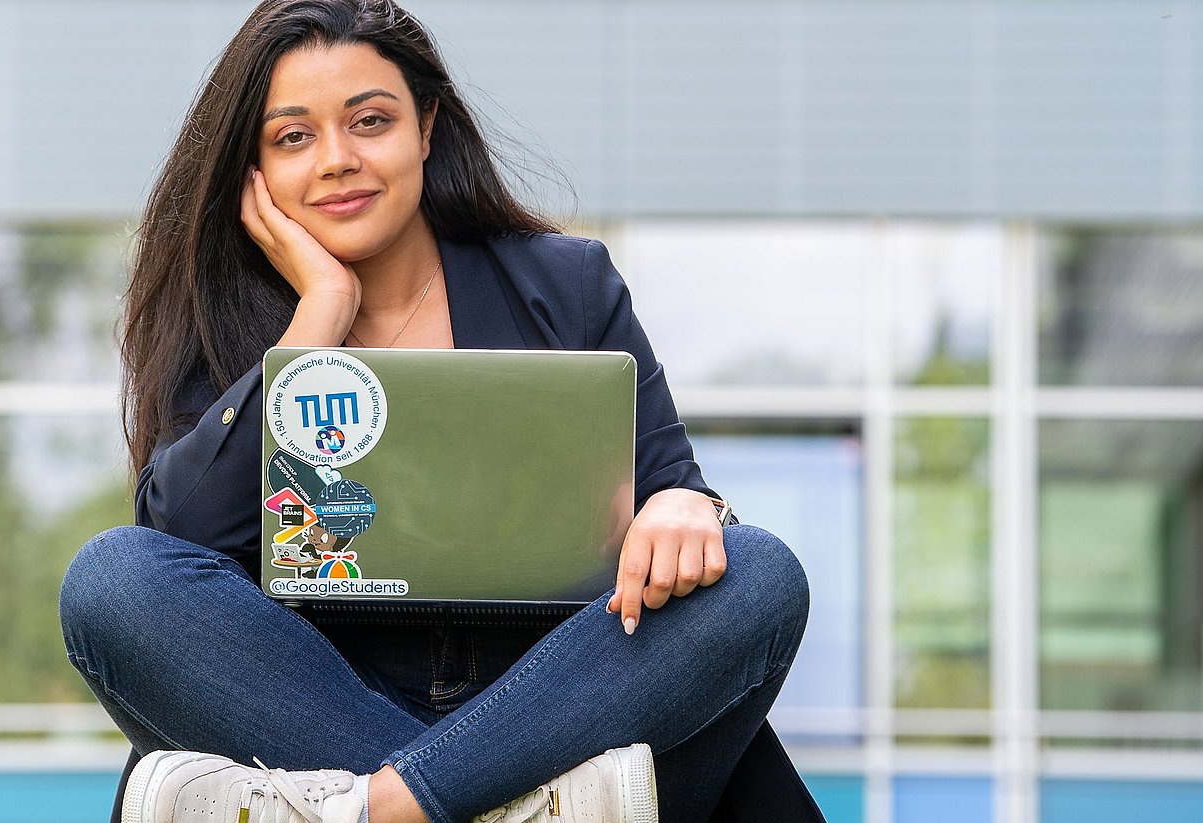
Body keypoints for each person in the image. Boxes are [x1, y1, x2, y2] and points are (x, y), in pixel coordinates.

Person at [56, 1, 817, 821]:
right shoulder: (222, 320)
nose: (338, 160)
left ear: (427, 126)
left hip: (561, 704)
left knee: (759, 571)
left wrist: (682, 505)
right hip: (317, 703)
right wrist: (318, 320)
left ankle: (388, 808)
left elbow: (675, 493)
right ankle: (503, 806)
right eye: (293, 137)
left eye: (370, 121)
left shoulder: (566, 286)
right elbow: (181, 547)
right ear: (255, 172)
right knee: (110, 579)